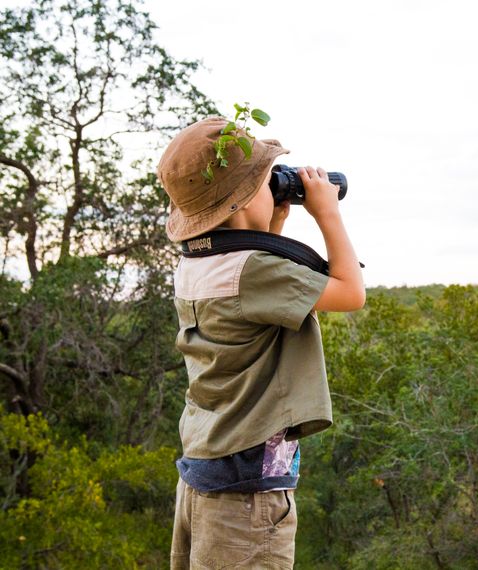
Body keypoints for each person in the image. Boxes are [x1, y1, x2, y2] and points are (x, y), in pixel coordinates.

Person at [156, 116, 365, 569]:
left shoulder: (195, 265)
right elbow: (351, 292)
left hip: (204, 477)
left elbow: (252, 302)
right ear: (245, 199)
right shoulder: (255, 271)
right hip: (247, 501)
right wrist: (327, 211)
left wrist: (270, 229)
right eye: (268, 181)